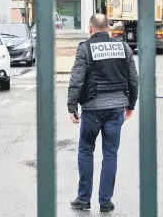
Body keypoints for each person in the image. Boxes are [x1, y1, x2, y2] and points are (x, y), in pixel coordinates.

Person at [67, 13, 138, 213]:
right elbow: (133, 79)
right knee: (110, 155)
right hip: (116, 109)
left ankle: (83, 199)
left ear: (90, 29)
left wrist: (72, 106)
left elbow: (77, 79)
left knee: (85, 151)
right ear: (108, 28)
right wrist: (130, 105)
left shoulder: (85, 48)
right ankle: (105, 202)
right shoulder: (123, 47)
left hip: (91, 110)